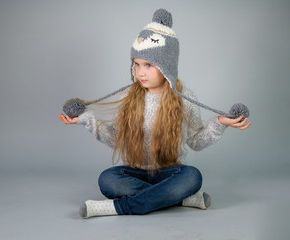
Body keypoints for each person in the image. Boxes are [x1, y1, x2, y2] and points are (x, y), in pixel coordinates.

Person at [59, 9, 251, 218]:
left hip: (170, 173)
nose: (140, 72)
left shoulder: (184, 97)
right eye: (137, 64)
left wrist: (220, 122)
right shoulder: (129, 95)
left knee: (192, 177)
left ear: (166, 66)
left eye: (149, 65)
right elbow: (116, 139)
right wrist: (87, 120)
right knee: (107, 179)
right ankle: (179, 198)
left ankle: (117, 208)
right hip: (135, 172)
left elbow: (196, 141)